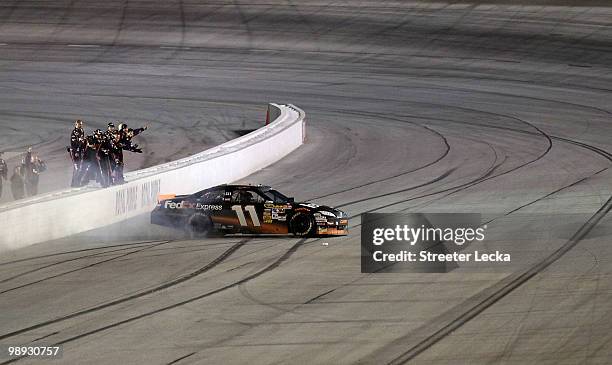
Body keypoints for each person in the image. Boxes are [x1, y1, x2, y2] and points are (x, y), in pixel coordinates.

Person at [68, 119, 86, 187]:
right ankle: (74, 183)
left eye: (81, 124)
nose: (80, 125)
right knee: (77, 167)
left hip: (80, 151)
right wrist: (77, 151)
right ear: (76, 124)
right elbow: (73, 143)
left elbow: (82, 141)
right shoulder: (74, 132)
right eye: (79, 124)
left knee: (80, 167)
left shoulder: (81, 130)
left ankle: (76, 182)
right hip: (75, 151)